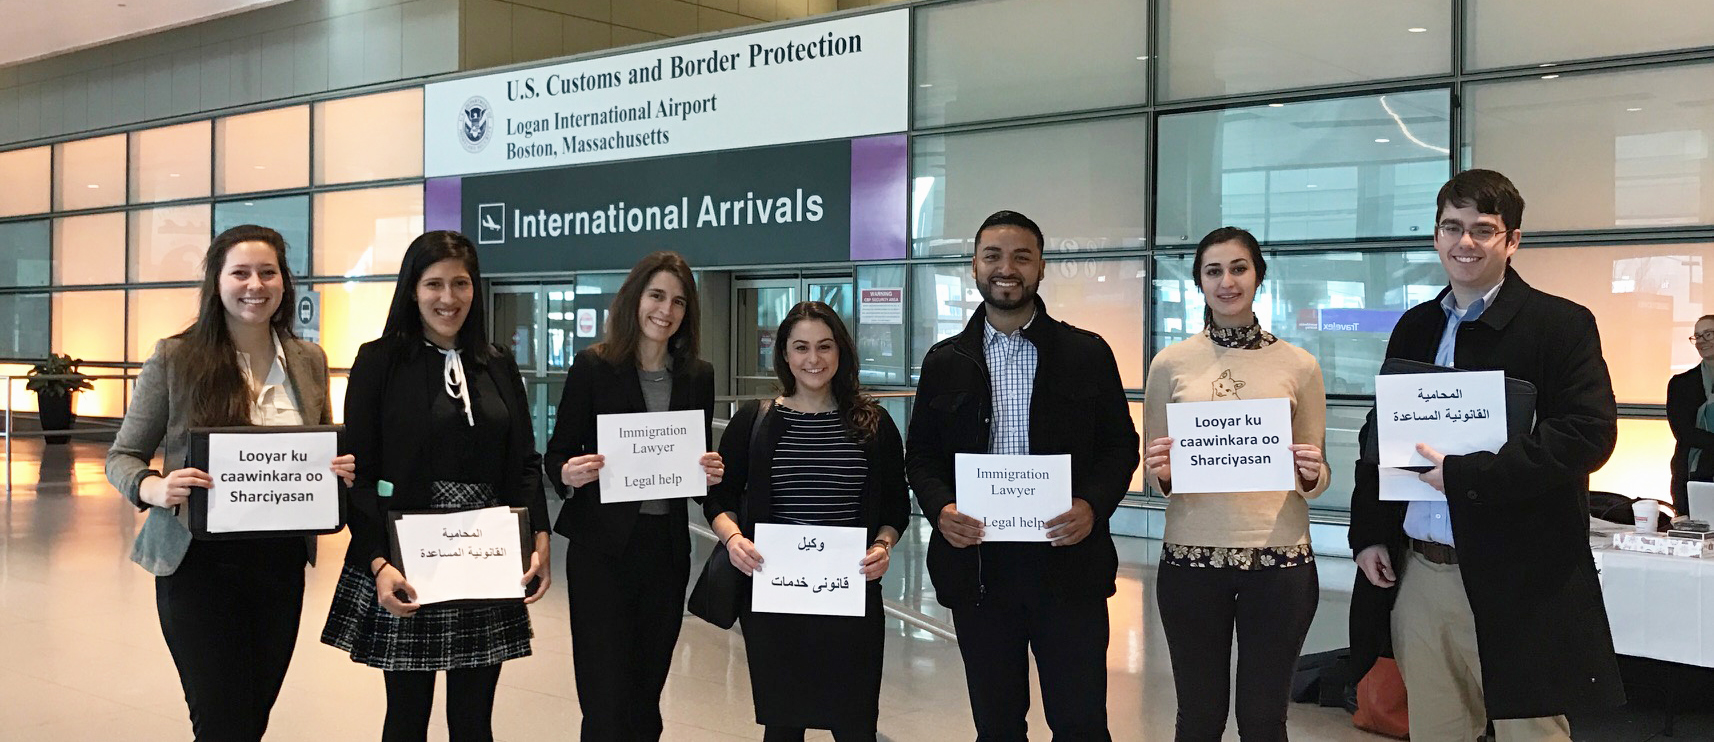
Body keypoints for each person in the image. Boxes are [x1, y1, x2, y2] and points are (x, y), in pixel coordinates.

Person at [1348, 169, 1624, 742]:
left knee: (1532, 733)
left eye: (1483, 229)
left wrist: (1467, 475)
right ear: (1435, 235)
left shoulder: (1561, 325)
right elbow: (1380, 434)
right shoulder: (1415, 326)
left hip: (1520, 576)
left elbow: (1586, 435)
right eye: (1452, 227)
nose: (1464, 242)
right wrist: (1369, 532)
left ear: (1513, 240)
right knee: (1436, 728)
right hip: (1421, 572)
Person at [106, 224, 355, 740]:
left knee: (253, 716)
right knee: (220, 721)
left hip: (281, 565)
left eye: (268, 272)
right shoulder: (174, 358)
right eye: (239, 272)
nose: (254, 285)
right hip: (197, 566)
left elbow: (320, 449)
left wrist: (337, 471)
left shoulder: (309, 362)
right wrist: (154, 487)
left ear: (284, 282)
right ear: (216, 282)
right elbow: (123, 455)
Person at [906, 210, 1140, 740]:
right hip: (980, 572)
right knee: (996, 725)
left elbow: (1120, 446)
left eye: (1021, 256)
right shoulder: (945, 360)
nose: (1006, 268)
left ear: (1041, 268)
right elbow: (920, 454)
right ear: (974, 266)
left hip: (1069, 569)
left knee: (1080, 723)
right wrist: (942, 508)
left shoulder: (1087, 353)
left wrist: (1092, 506)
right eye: (993, 256)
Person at [321, 230, 550, 742]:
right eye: (434, 284)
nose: (448, 299)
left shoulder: (497, 363)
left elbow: (525, 462)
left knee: (475, 720)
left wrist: (538, 540)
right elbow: (357, 472)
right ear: (412, 289)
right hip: (406, 556)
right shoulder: (379, 361)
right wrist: (378, 562)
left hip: (485, 556)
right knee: (406, 718)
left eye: (461, 284)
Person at [1142, 226, 1329, 742]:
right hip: (1190, 561)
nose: (1227, 281)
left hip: (1279, 560)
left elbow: (1318, 469)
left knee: (1264, 719)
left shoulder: (1298, 365)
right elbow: (1154, 469)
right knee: (1198, 718)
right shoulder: (1171, 364)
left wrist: (1313, 473)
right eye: (1213, 271)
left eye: (1239, 268)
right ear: (1199, 282)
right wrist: (1163, 470)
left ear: (1258, 276)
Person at [707, 301, 910, 742]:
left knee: (855, 725)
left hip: (849, 597)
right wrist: (734, 539)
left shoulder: (874, 424)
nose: (813, 359)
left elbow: (895, 507)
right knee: (783, 725)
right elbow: (718, 499)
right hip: (777, 599)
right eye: (800, 348)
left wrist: (884, 545)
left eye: (824, 346)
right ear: (783, 354)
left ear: (841, 352)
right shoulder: (754, 421)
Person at [542, 251, 723, 742]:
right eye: (657, 295)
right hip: (601, 552)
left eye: (679, 301)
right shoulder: (593, 367)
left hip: (664, 551)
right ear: (634, 299)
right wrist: (567, 471)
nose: (666, 310)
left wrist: (710, 471)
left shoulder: (697, 376)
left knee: (646, 698)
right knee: (604, 701)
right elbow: (556, 454)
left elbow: (693, 462)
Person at [1667, 314, 1714, 517]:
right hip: (1693, 474)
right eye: (1697, 336)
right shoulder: (1681, 383)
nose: (1701, 342)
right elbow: (1683, 432)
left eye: (1708, 334)